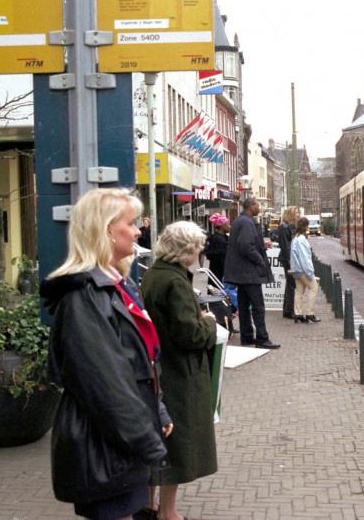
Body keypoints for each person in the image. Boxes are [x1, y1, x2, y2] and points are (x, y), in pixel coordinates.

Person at [40, 188, 171, 520]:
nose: (139, 231)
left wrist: (158, 412)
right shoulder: (84, 297)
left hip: (120, 444)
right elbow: (106, 385)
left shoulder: (118, 287)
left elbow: (142, 361)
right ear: (107, 230)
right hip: (105, 449)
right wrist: (149, 442)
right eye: (131, 223)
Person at [140, 221, 219, 520]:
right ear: (187, 251)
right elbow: (190, 335)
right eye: (197, 248)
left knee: (157, 441)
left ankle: (147, 503)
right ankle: (168, 512)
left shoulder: (153, 273)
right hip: (178, 373)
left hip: (158, 367)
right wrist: (208, 323)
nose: (200, 253)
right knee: (176, 445)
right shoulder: (175, 282)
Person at [224, 197, 280, 349]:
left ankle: (247, 336)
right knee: (258, 306)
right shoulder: (248, 222)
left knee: (243, 305)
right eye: (258, 205)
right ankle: (262, 338)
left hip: (241, 273)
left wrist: (261, 246)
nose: (259, 208)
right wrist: (259, 259)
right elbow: (246, 245)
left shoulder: (239, 221)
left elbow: (245, 243)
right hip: (249, 273)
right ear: (252, 207)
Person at [289, 216, 321, 323]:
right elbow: (304, 258)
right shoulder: (302, 239)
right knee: (313, 288)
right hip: (302, 269)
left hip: (296, 269)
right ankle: (310, 314)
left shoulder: (295, 238)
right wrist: (310, 272)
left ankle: (298, 314)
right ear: (306, 226)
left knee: (299, 291)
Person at [277, 206, 300, 319]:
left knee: (290, 284)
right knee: (291, 284)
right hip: (287, 259)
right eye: (296, 212)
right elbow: (285, 245)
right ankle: (289, 311)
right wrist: (290, 261)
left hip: (289, 258)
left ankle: (288, 310)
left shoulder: (290, 226)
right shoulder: (284, 227)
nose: (298, 214)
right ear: (290, 214)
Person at [205, 213, 230, 286]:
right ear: (222, 226)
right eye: (228, 224)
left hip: (219, 273)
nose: (229, 226)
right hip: (220, 273)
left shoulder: (221, 237)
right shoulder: (219, 239)